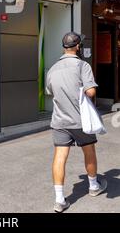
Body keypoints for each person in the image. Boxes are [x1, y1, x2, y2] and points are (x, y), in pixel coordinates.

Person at [46, 32, 107, 213]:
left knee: (59, 157)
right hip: (80, 120)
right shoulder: (82, 65)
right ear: (78, 46)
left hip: (59, 121)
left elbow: (51, 91)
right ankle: (94, 186)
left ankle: (59, 200)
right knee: (89, 151)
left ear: (63, 47)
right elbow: (90, 93)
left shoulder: (53, 69)